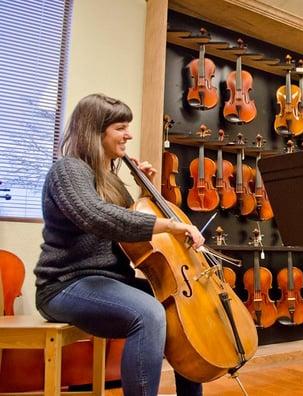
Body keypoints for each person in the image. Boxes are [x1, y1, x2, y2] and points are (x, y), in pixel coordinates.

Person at [34, 93, 205, 396]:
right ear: (94, 130)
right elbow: (97, 216)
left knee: (182, 308)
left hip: (110, 282)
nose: (128, 134)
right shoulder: (68, 170)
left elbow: (131, 225)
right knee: (149, 312)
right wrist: (169, 225)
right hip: (66, 285)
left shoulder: (110, 179)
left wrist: (145, 190)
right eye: (120, 127)